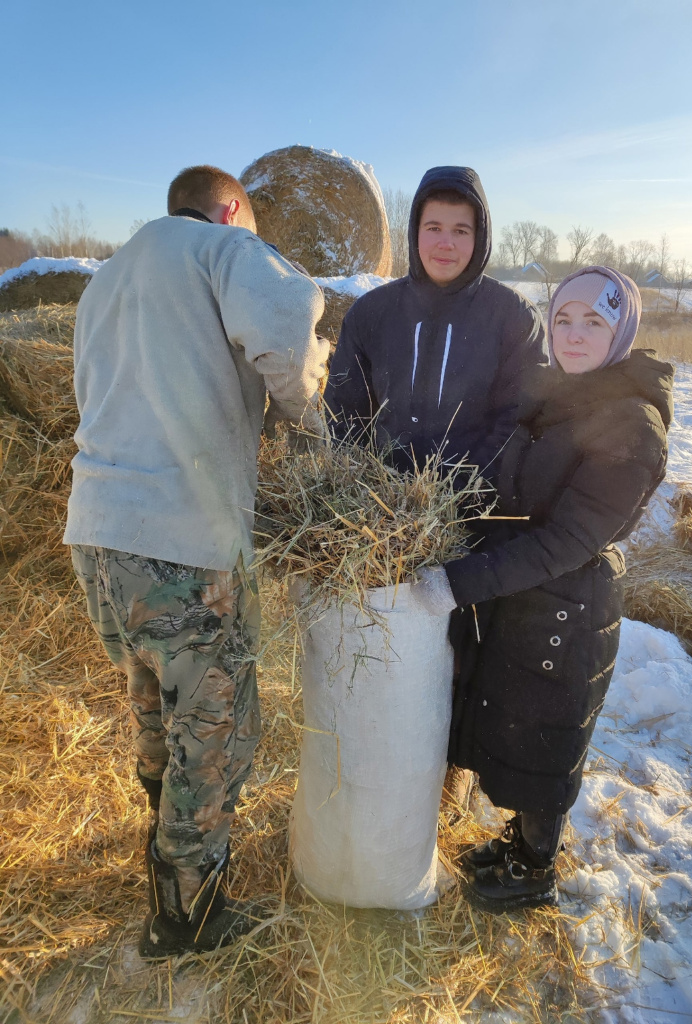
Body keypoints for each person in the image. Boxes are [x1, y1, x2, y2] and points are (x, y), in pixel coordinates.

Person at [63, 165, 328, 957]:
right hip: (182, 541)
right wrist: (309, 414)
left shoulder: (107, 279)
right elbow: (289, 320)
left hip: (98, 535)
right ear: (232, 209)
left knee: (152, 695)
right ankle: (186, 916)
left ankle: (163, 838)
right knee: (213, 730)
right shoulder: (224, 251)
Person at [412, 267, 674, 912]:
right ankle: (520, 842)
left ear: (622, 330)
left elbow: (568, 540)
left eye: (594, 321)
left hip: (568, 603)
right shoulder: (550, 394)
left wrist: (458, 582)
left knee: (546, 732)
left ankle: (536, 869)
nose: (574, 334)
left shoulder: (631, 423)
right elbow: (498, 483)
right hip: (516, 594)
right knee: (511, 717)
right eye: (563, 319)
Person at [325, 166, 546, 477]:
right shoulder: (370, 313)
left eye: (460, 231)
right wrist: (364, 485)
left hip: (479, 508)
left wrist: (462, 490)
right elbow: (345, 414)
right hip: (378, 506)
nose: (446, 243)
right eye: (433, 228)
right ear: (415, 231)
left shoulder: (515, 317)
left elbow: (518, 420)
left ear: (480, 236)